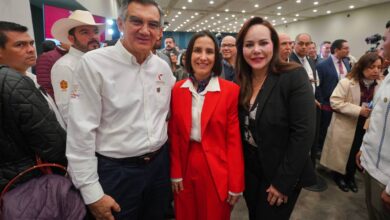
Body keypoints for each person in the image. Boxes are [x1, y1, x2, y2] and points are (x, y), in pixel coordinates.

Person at [65, 0, 176, 219]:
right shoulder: (94, 64)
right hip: (116, 172)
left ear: (159, 32)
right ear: (120, 24)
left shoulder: (162, 66)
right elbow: (80, 132)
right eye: (136, 21)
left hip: (159, 167)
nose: (145, 30)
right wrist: (92, 193)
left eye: (152, 24)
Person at [236, 17, 316, 219]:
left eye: (263, 43)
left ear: (274, 45)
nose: (256, 50)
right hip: (251, 169)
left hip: (281, 170)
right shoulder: (242, 79)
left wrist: (283, 183)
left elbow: (303, 133)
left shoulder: (293, 76)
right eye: (249, 44)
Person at [169, 30, 244, 220]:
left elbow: (233, 141)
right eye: (197, 51)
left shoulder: (230, 91)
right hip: (185, 166)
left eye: (209, 52)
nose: (203, 57)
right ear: (188, 55)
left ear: (216, 57)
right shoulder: (177, 89)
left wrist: (236, 184)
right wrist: (176, 172)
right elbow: (175, 134)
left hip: (216, 169)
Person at [0, 21, 66, 190]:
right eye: (19, 45)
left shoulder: (28, 77)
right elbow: (51, 142)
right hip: (29, 177)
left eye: (31, 43)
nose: (30, 49)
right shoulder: (14, 82)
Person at [320, 52, 382, 193]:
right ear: (362, 67)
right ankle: (339, 176)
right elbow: (335, 102)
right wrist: (359, 110)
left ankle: (350, 176)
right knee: (343, 153)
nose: (376, 71)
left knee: (357, 152)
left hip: (366, 126)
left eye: (379, 67)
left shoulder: (381, 85)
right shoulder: (347, 82)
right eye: (372, 67)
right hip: (347, 124)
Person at [357, 20, 390, 220]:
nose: (381, 45)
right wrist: (364, 147)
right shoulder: (387, 77)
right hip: (371, 166)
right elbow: (378, 120)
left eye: (385, 39)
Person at [51, 10, 105, 125]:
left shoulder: (99, 61)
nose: (93, 37)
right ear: (71, 39)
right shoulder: (64, 66)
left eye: (95, 32)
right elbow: (67, 110)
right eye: (85, 32)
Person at [316, 39, 352, 153]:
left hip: (343, 103)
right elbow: (318, 86)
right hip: (327, 104)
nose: (348, 51)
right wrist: (322, 102)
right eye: (345, 48)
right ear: (336, 50)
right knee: (325, 130)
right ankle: (321, 153)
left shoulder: (346, 62)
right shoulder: (322, 65)